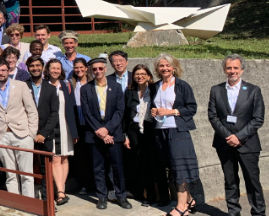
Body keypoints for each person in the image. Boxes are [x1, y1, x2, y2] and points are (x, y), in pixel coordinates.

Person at [207, 55, 266, 216]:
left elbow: (258, 118)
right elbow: (213, 116)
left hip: (248, 144)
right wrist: (228, 136)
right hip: (224, 143)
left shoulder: (253, 90)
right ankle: (234, 212)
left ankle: (259, 212)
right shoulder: (216, 90)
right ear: (224, 70)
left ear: (242, 70)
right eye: (229, 68)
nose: (232, 71)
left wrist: (239, 137)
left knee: (252, 182)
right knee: (230, 181)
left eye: (235, 68)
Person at [150, 53, 199, 216]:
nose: (164, 68)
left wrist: (171, 111)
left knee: (180, 169)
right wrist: (154, 111)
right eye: (161, 66)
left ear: (174, 67)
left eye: (167, 65)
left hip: (178, 131)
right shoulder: (155, 86)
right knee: (171, 168)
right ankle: (189, 200)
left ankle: (181, 207)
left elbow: (192, 108)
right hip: (160, 131)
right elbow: (154, 106)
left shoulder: (182, 85)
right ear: (157, 69)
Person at [81, 56, 132, 210]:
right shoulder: (86, 88)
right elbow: (87, 113)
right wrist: (101, 132)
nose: (97, 71)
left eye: (100, 68)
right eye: (94, 69)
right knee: (98, 167)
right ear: (90, 70)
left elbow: (120, 111)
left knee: (117, 166)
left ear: (105, 69)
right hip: (95, 134)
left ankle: (121, 195)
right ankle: (101, 197)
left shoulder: (116, 87)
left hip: (113, 133)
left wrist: (107, 129)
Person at [0, 58, 39, 196]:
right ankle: (16, 203)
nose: (1, 73)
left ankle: (29, 204)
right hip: (1, 136)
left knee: (26, 173)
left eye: (3, 70)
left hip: (22, 134)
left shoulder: (21, 86)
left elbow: (31, 110)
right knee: (10, 173)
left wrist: (31, 134)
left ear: (8, 71)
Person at [124, 63, 169, 206]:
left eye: (143, 74)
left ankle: (163, 196)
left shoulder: (155, 90)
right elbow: (125, 115)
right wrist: (125, 135)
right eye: (137, 74)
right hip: (135, 131)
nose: (140, 76)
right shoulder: (129, 92)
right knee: (143, 165)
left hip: (152, 130)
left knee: (157, 165)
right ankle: (149, 196)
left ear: (149, 76)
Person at [25, 54, 60, 200]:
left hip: (46, 135)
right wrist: (31, 133)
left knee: (46, 169)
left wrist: (44, 134)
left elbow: (54, 113)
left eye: (38, 65)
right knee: (26, 166)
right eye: (32, 66)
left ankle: (47, 199)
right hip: (27, 134)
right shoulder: (22, 86)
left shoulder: (51, 89)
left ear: (43, 67)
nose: (35, 68)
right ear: (28, 68)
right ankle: (28, 198)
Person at [46, 58, 79, 205]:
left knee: (65, 157)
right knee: (55, 158)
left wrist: (74, 131)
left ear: (61, 71)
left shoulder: (66, 85)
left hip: (65, 126)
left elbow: (71, 108)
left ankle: (61, 189)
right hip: (51, 127)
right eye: (53, 68)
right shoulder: (44, 86)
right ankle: (60, 191)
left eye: (58, 68)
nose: (55, 71)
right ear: (47, 70)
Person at [70, 57, 95, 195]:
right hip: (78, 124)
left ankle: (95, 183)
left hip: (91, 125)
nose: (79, 70)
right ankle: (84, 184)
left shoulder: (92, 83)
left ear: (86, 68)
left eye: (81, 67)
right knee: (81, 157)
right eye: (76, 68)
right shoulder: (71, 84)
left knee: (93, 155)